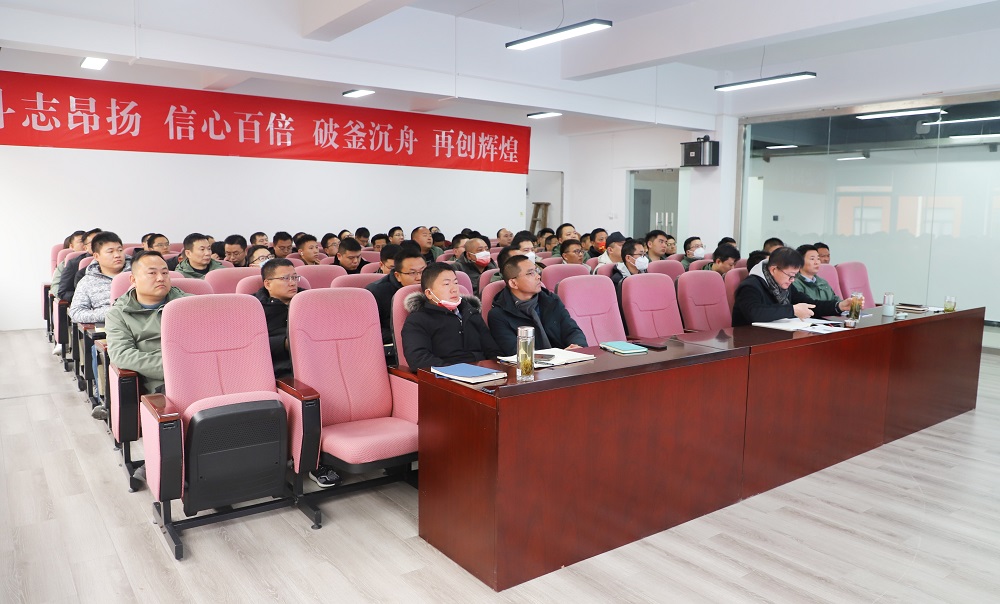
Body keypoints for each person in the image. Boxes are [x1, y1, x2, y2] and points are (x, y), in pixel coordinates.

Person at [253, 258, 340, 488]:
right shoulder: (254, 307)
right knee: (306, 398)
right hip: (280, 369)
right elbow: (250, 343)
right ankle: (313, 463)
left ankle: (331, 450)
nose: (293, 283)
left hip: (317, 362)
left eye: (295, 277)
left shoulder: (309, 301)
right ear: (268, 283)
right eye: (285, 278)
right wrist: (283, 343)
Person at [105, 251, 189, 397]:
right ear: (133, 280)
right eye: (152, 273)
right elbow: (122, 355)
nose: (160, 278)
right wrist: (174, 368)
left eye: (165, 273)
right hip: (163, 383)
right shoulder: (118, 314)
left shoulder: (190, 304)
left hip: (205, 373)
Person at [401, 262, 501, 370]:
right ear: (429, 293)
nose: (454, 289)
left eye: (456, 283)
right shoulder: (417, 320)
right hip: (446, 375)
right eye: (446, 284)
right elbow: (419, 360)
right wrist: (456, 371)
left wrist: (498, 369)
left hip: (483, 372)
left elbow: (492, 350)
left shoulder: (471, 312)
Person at [488, 255, 587, 355]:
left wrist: (577, 346)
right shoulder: (498, 315)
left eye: (536, 271)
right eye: (530, 273)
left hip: (565, 359)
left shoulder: (550, 300)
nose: (538, 276)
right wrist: (557, 356)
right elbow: (516, 352)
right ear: (513, 283)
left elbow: (572, 329)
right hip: (532, 363)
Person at [732, 247, 855, 327]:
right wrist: (792, 310)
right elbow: (754, 313)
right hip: (750, 340)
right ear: (774, 270)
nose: (792, 280)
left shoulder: (785, 285)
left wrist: (839, 306)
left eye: (795, 276)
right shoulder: (750, 286)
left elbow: (810, 304)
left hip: (777, 336)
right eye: (790, 275)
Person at [365, 247, 426, 344]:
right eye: (412, 273)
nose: (419, 277)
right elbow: (371, 331)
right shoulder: (376, 292)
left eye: (423, 271)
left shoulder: (433, 284)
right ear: (398, 276)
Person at [69, 231, 131, 325]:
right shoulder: (87, 282)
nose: (117, 255)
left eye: (120, 250)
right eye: (110, 251)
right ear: (96, 256)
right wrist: (110, 314)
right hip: (106, 328)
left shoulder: (137, 274)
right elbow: (76, 313)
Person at [610, 239, 648, 331]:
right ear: (628, 258)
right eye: (640, 255)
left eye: (644, 255)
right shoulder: (618, 280)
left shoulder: (645, 275)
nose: (644, 258)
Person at [59, 227, 103, 302]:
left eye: (102, 241)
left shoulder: (118, 262)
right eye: (94, 242)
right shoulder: (74, 264)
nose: (99, 245)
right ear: (85, 247)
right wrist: (83, 298)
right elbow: (63, 292)